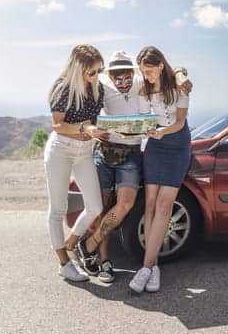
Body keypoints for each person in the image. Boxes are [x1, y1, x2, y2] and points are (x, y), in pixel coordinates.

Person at [74, 50, 192, 284]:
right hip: (111, 151)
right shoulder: (108, 87)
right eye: (117, 76)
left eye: (128, 75)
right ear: (111, 76)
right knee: (111, 205)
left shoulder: (147, 82)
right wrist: (91, 130)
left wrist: (180, 74)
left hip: (142, 152)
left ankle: (137, 263)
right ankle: (107, 260)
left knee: (136, 204)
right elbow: (87, 105)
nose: (123, 81)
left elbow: (174, 73)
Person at [129, 46, 191, 293]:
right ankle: (154, 268)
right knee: (150, 205)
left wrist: (162, 132)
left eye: (151, 71)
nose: (147, 76)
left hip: (177, 145)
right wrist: (145, 130)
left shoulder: (179, 87)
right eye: (144, 72)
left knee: (165, 205)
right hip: (155, 146)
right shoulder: (143, 89)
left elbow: (180, 122)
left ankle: (145, 268)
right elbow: (146, 121)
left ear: (161, 66)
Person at [44, 44, 108, 282]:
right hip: (60, 149)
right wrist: (85, 128)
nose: (95, 76)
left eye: (99, 71)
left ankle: (71, 242)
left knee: (95, 207)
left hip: (84, 151)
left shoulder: (98, 89)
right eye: (91, 72)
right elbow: (58, 125)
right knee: (58, 210)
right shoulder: (63, 88)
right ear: (77, 69)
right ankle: (64, 263)